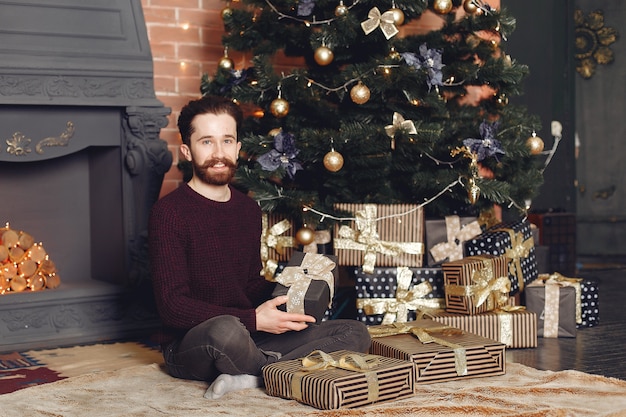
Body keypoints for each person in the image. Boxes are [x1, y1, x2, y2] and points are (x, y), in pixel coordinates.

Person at [148, 95, 371, 400]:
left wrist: (292, 297)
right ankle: (275, 373)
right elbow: (172, 306)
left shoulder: (248, 209)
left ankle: (252, 376)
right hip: (192, 343)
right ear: (187, 151)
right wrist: (253, 319)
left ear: (238, 148)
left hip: (250, 333)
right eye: (206, 142)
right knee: (225, 330)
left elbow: (249, 282)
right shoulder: (169, 213)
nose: (219, 153)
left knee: (354, 333)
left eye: (227, 141)